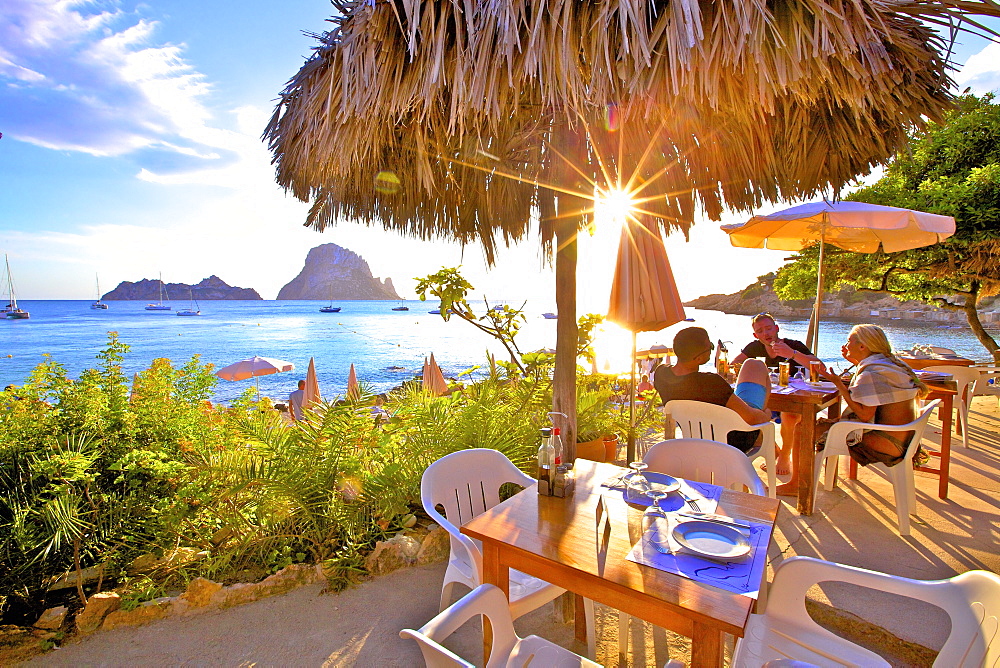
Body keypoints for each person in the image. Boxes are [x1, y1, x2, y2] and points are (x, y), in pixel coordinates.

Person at [815, 324, 928, 467]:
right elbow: (873, 390)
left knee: (805, 428)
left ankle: (796, 484)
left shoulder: (871, 373)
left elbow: (864, 415)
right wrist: (857, 362)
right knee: (828, 424)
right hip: (903, 441)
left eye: (849, 341)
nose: (846, 345)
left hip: (886, 443)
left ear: (862, 346)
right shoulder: (887, 365)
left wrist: (839, 384)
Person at [653, 326, 772, 453]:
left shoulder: (661, 374)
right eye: (709, 347)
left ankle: (767, 439)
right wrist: (765, 416)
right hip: (731, 443)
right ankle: (762, 437)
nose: (711, 349)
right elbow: (751, 419)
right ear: (698, 358)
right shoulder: (712, 383)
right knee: (755, 364)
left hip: (695, 440)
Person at [731, 312, 820, 477]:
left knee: (790, 415)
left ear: (776, 328)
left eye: (769, 329)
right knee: (749, 412)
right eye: (760, 331)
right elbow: (733, 365)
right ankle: (774, 450)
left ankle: (785, 456)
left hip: (792, 398)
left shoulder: (793, 346)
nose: (766, 334)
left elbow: (819, 367)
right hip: (768, 397)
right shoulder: (754, 347)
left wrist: (792, 354)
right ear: (755, 335)